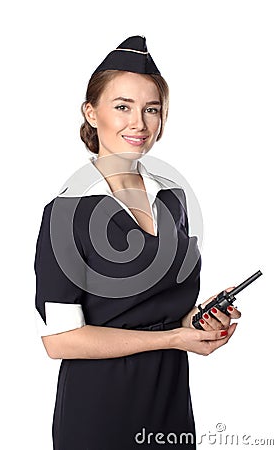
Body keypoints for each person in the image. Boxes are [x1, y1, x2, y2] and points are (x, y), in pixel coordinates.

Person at [34, 36, 241, 450]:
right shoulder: (67, 213)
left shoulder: (172, 198)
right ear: (91, 113)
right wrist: (170, 340)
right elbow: (60, 341)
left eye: (151, 109)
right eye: (122, 107)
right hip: (99, 411)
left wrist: (196, 324)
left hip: (170, 407)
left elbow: (161, 313)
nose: (139, 123)